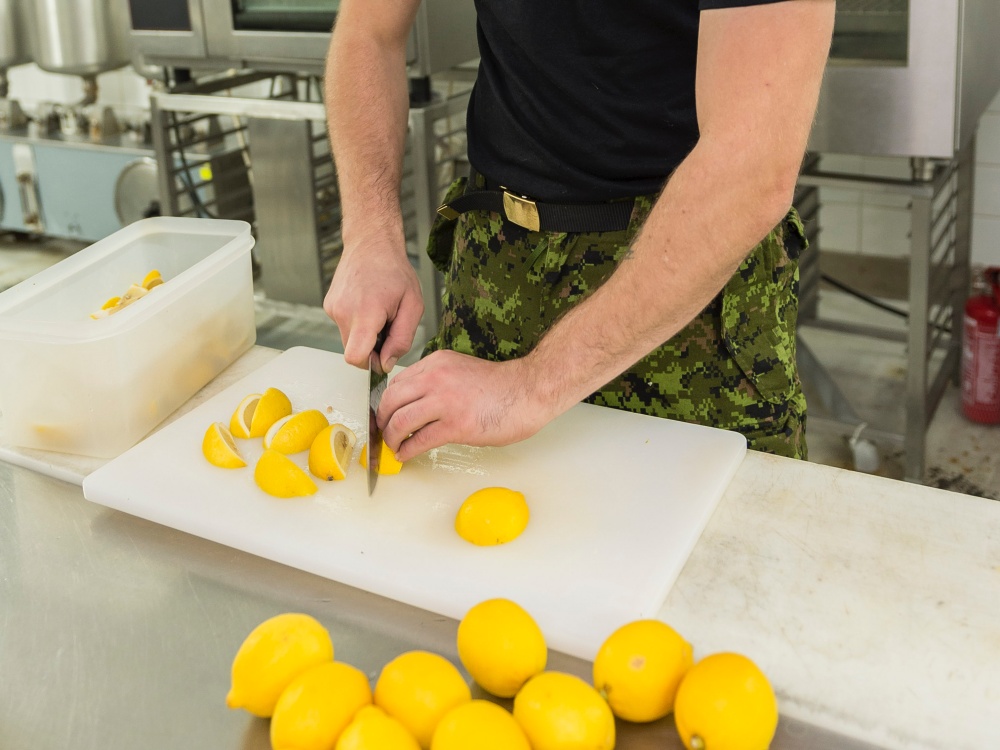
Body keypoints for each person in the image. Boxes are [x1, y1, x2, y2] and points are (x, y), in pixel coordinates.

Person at [323, 0, 836, 463]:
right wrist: (371, 234)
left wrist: (529, 386)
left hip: (685, 281)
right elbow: (370, 31)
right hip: (494, 263)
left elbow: (750, 167)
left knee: (698, 545)